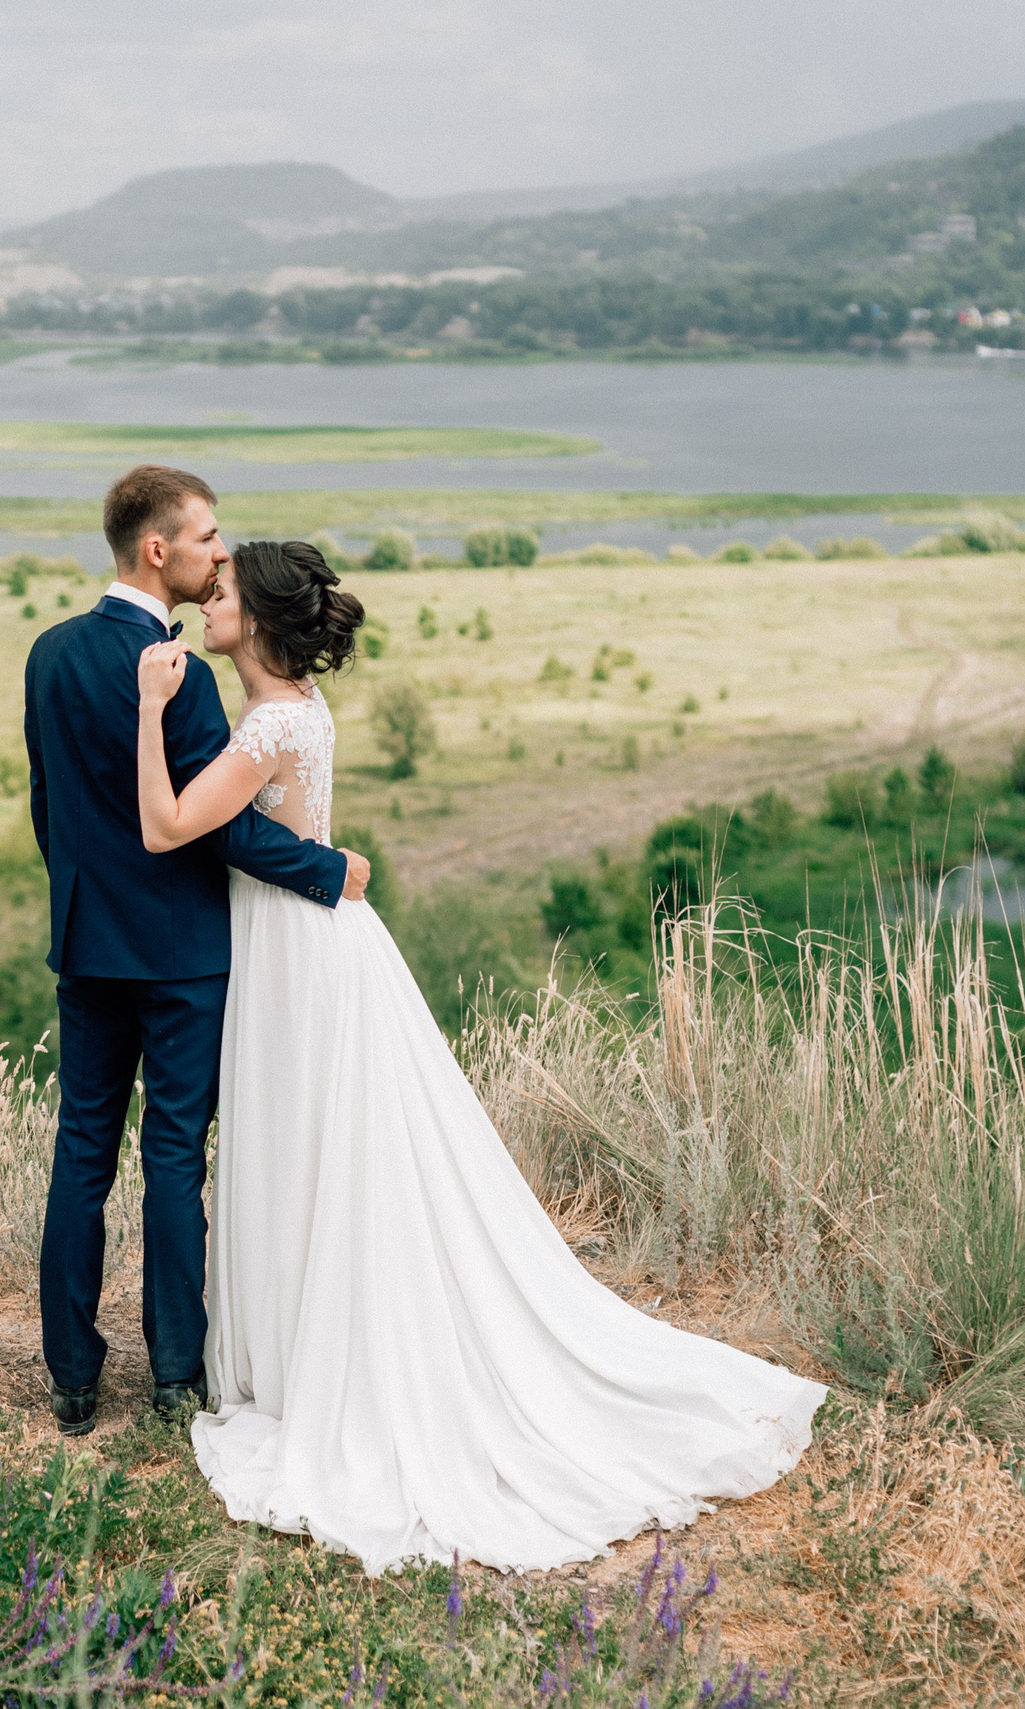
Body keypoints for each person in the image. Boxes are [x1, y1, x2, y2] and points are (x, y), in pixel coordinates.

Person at [132, 537, 827, 1576]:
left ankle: (322, 1360)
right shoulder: (291, 715)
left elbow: (175, 823)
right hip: (304, 938)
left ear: (261, 620)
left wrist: (147, 708)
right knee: (315, 1146)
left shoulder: (274, 720)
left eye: (223, 590)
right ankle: (301, 1345)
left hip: (294, 949)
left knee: (309, 1145)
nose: (207, 597)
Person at [22, 465, 371, 1438]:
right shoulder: (186, 675)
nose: (220, 551)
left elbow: (48, 807)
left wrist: (79, 906)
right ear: (156, 549)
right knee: (173, 1155)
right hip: (184, 955)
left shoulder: (48, 655)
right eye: (207, 536)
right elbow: (217, 830)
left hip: (88, 946)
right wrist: (325, 868)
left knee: (80, 1152)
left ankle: (71, 1377)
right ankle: (175, 1374)